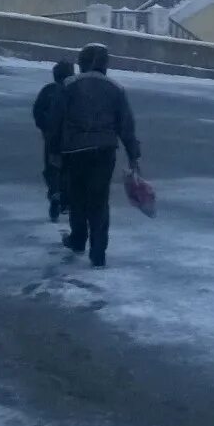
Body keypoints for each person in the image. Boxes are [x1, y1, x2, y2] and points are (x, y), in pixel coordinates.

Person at [48, 43, 141, 268]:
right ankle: (98, 252)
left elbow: (56, 121)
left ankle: (78, 239)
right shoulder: (116, 89)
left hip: (74, 150)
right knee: (99, 200)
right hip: (104, 150)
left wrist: (53, 150)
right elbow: (126, 126)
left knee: (77, 196)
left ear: (81, 62)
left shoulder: (69, 86)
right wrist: (133, 155)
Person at [32, 60, 75, 221]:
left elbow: (37, 111)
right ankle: (66, 198)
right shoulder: (76, 91)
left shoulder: (48, 91)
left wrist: (46, 127)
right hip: (72, 140)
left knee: (51, 169)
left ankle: (55, 193)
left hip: (51, 138)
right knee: (69, 170)